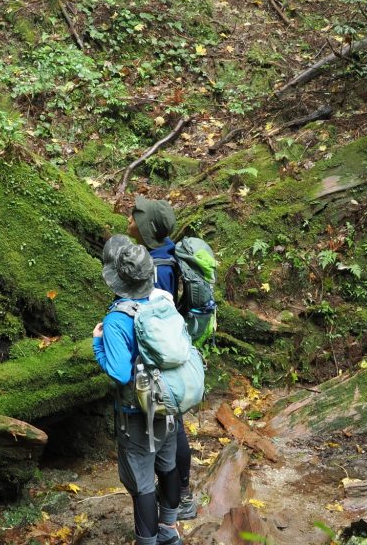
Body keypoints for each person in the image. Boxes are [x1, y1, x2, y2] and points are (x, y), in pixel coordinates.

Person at [94, 235, 183, 545]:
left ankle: (148, 541)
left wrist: (97, 343)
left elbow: (119, 373)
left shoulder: (117, 320)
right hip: (168, 403)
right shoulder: (163, 302)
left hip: (136, 413)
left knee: (143, 483)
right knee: (168, 466)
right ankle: (169, 529)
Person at [127, 197, 198, 521]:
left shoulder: (157, 268)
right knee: (172, 423)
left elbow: (153, 313)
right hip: (173, 345)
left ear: (146, 229)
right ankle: (176, 492)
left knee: (174, 424)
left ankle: (182, 496)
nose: (129, 222)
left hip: (162, 352)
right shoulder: (166, 250)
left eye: (135, 219)